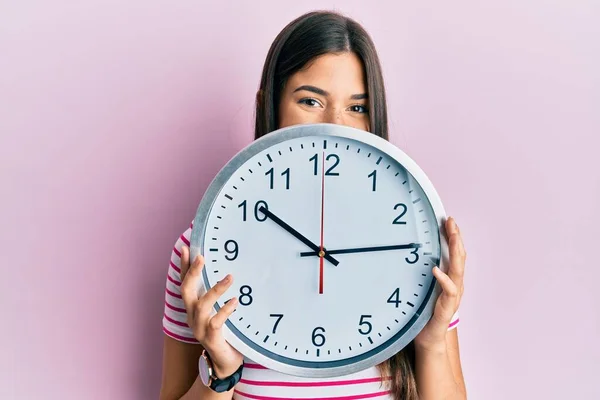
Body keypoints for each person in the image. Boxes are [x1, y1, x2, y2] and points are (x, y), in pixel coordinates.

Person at [159, 10, 467, 400]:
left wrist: (432, 339)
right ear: (269, 104)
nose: (335, 123)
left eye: (357, 107)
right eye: (310, 100)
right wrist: (223, 371)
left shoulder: (421, 247)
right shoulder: (200, 252)